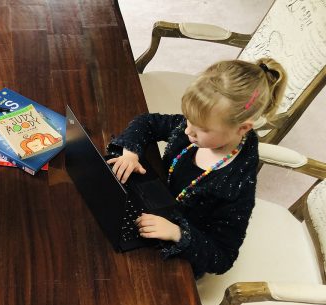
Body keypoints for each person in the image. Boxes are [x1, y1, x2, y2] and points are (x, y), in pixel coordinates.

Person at [106, 58, 286, 278]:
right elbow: (147, 122)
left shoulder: (235, 187)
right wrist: (131, 152)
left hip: (179, 248)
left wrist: (177, 233)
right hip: (155, 202)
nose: (187, 131)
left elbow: (222, 257)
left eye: (201, 129)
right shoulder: (193, 127)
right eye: (188, 119)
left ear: (242, 128)